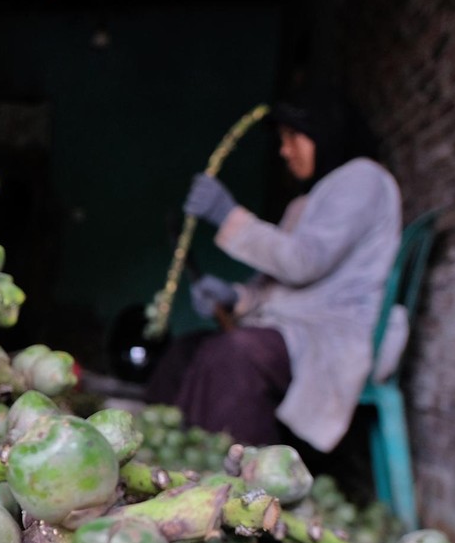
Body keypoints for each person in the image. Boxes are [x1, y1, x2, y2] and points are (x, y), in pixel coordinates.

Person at [145, 84, 403, 453]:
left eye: (292, 137)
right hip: (289, 328)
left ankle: (246, 478)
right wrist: (234, 297)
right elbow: (276, 283)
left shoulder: (363, 179)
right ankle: (155, 457)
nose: (284, 150)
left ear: (324, 133)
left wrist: (228, 216)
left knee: (234, 355)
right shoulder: (305, 203)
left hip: (329, 333)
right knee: (186, 351)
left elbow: (304, 262)